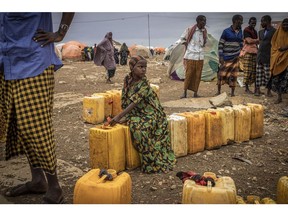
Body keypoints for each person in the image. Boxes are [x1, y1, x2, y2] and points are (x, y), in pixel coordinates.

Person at [0, 12, 74, 204]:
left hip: (33, 61)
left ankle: (55, 187)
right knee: (17, 124)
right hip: (6, 61)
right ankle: (38, 180)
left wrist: (60, 33)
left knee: (35, 127)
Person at [109, 55, 176, 174]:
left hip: (151, 112)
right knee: (131, 123)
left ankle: (151, 162)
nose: (143, 70)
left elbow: (135, 101)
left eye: (145, 67)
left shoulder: (144, 82)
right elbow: (125, 97)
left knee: (139, 129)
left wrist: (119, 116)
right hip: (137, 112)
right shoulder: (127, 79)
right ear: (131, 67)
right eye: (140, 67)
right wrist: (124, 115)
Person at [180, 15, 207, 98]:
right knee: (189, 74)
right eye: (203, 21)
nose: (204, 23)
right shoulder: (190, 30)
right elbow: (182, 39)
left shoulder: (204, 31)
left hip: (200, 56)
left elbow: (205, 41)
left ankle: (195, 93)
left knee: (198, 75)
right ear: (198, 21)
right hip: (191, 55)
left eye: (205, 21)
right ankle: (184, 93)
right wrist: (187, 45)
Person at [216, 14, 243, 97]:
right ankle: (218, 91)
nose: (241, 22)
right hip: (226, 57)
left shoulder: (240, 32)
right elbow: (220, 44)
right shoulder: (226, 31)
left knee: (234, 75)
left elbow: (241, 43)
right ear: (235, 21)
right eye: (240, 21)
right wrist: (221, 56)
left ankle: (232, 93)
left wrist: (240, 51)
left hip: (235, 57)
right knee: (221, 74)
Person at [255, 15, 276, 97]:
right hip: (260, 56)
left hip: (268, 56)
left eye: (262, 21)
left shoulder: (274, 31)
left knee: (268, 75)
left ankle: (268, 91)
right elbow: (260, 43)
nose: (261, 23)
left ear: (267, 21)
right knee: (258, 74)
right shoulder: (260, 32)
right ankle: (258, 90)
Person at [270, 18, 288, 104]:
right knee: (277, 79)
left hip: (287, 60)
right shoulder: (277, 33)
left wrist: (286, 47)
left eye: (287, 24)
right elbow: (273, 44)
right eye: (284, 24)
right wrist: (278, 50)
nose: (285, 26)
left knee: (286, 79)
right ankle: (279, 97)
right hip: (278, 59)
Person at [241, 17, 259, 94]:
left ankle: (255, 89)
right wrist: (257, 40)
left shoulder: (254, 31)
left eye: (254, 23)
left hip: (254, 52)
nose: (253, 24)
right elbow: (248, 40)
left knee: (254, 71)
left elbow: (253, 41)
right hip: (248, 52)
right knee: (247, 71)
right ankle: (247, 89)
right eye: (252, 23)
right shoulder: (246, 30)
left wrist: (254, 41)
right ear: (249, 22)